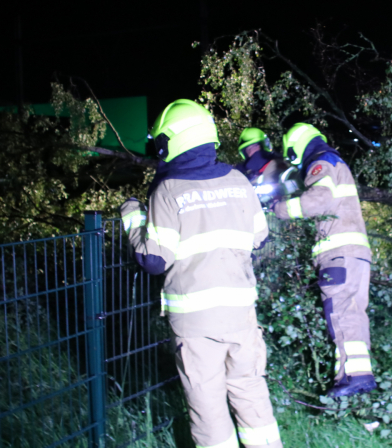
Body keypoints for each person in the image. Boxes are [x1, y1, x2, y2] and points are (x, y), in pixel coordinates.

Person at [119, 100, 282, 448]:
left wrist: (132, 216)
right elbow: (260, 238)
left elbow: (154, 261)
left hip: (196, 324)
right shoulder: (239, 180)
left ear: (170, 141)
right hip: (242, 317)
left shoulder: (168, 191)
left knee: (208, 407)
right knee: (251, 392)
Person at [271, 123, 376, 398]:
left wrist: (279, 208)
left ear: (295, 146)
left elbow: (318, 201)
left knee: (340, 312)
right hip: (356, 255)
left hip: (338, 254)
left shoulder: (320, 162)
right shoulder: (335, 160)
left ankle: (352, 377)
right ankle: (358, 376)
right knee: (354, 313)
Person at [235, 127, 300, 208]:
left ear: (263, 145)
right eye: (248, 150)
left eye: (255, 146)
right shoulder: (251, 175)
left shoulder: (279, 164)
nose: (251, 152)